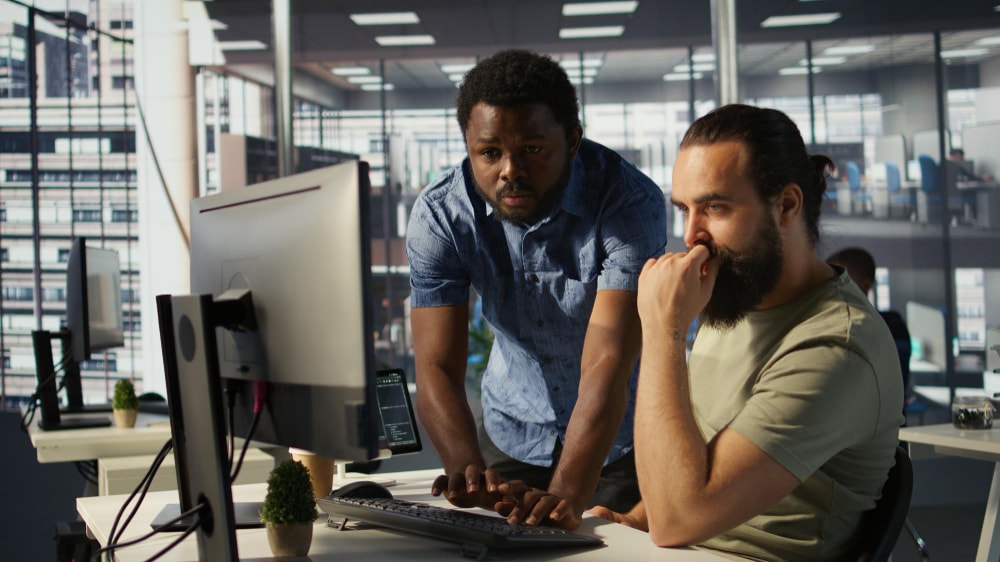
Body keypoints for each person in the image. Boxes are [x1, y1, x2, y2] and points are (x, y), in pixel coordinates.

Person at [578, 104, 904, 561]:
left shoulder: (836, 347)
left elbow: (680, 518)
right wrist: (635, 519)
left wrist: (662, 331)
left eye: (715, 207)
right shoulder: (730, 297)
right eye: (684, 210)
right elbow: (688, 456)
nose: (692, 235)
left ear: (787, 205)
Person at [405, 48, 668, 529]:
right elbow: (436, 364)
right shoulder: (441, 216)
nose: (509, 170)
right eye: (489, 153)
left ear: (571, 140)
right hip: (511, 430)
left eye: (531, 149)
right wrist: (467, 469)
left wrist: (567, 492)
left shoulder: (628, 201)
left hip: (618, 439)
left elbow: (608, 358)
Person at [827, 246, 913, 398]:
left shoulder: (891, 328)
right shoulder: (831, 324)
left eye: (839, 281)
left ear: (866, 285)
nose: (831, 288)